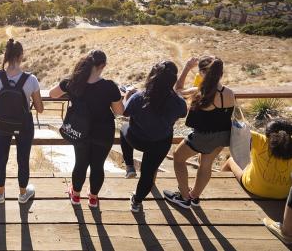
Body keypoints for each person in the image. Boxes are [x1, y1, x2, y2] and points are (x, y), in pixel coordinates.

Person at [49, 50, 124, 208]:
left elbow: (52, 94)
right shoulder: (110, 86)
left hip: (80, 130)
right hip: (104, 132)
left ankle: (76, 196)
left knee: (81, 163)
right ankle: (93, 198)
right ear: (103, 65)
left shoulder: (73, 82)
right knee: (98, 165)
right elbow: (119, 112)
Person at [164, 56, 235, 209]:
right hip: (222, 136)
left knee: (178, 157)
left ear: (203, 73)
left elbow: (178, 90)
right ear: (220, 74)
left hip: (203, 136)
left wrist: (187, 68)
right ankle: (194, 196)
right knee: (206, 165)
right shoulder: (229, 93)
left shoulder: (200, 92)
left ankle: (184, 197)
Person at [0, 39, 44, 204]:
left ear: (6, 55)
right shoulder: (31, 79)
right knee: (23, 159)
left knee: (1, 157)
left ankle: (0, 193)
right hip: (24, 125)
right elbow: (40, 108)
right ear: (21, 56)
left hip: (1, 124)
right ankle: (23, 194)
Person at [120, 61, 188, 212]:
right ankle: (136, 202)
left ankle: (129, 166)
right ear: (172, 80)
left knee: (123, 129)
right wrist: (178, 95)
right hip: (160, 143)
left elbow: (124, 112)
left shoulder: (139, 97)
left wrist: (127, 95)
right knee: (148, 173)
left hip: (136, 139)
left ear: (152, 77)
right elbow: (183, 113)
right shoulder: (177, 102)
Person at [223, 118, 292, 199]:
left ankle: (222, 184)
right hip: (283, 193)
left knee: (230, 160)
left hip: (253, 188)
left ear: (268, 133)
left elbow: (238, 131)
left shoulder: (261, 140)